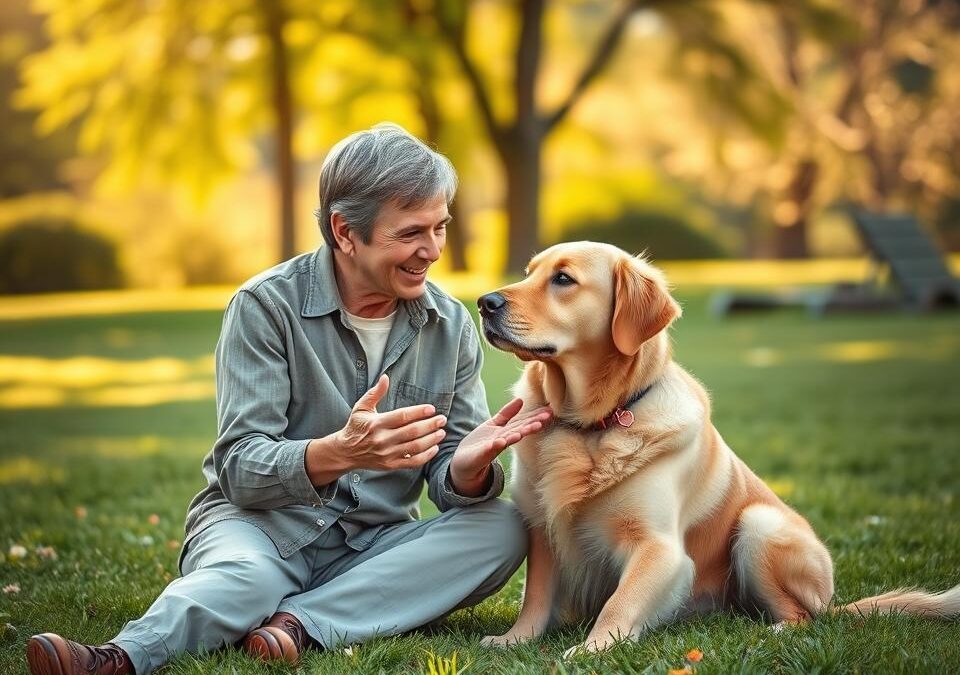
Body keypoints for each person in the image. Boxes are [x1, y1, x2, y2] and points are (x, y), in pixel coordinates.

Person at [26, 123, 552, 675]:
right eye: (411, 233)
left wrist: (466, 468)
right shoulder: (265, 306)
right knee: (247, 578)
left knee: (502, 527)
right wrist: (341, 453)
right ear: (345, 232)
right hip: (258, 528)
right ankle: (114, 659)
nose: (433, 250)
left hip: (374, 542)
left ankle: (299, 624)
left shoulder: (449, 324)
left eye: (440, 227)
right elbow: (239, 468)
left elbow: (448, 478)